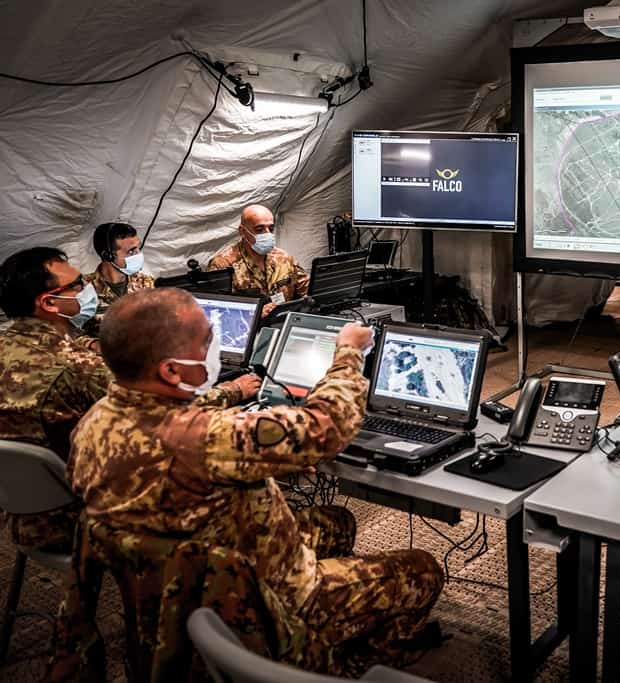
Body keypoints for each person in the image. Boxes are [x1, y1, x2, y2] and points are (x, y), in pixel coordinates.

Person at [68, 288, 443, 675]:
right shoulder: (211, 439)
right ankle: (350, 665)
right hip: (255, 597)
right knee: (422, 569)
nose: (216, 346)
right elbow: (327, 426)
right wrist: (348, 353)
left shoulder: (94, 424)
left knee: (336, 522)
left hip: (181, 583)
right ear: (171, 371)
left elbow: (173, 454)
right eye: (207, 340)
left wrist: (261, 452)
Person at [0, 247, 109, 550]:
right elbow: (158, 412)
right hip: (77, 521)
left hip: (21, 510)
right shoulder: (77, 366)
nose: (88, 288)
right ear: (49, 302)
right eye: (78, 285)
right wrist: (234, 390)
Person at [207, 205, 309, 315]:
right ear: (242, 231)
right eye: (259, 229)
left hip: (282, 323)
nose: (267, 234)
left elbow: (307, 289)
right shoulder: (222, 265)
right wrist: (254, 314)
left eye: (270, 229)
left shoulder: (283, 258)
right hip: (249, 329)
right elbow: (215, 312)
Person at [83, 222, 155, 320]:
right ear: (107, 256)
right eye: (131, 251)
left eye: (139, 248)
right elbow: (70, 333)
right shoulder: (82, 290)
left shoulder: (146, 283)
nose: (138, 254)